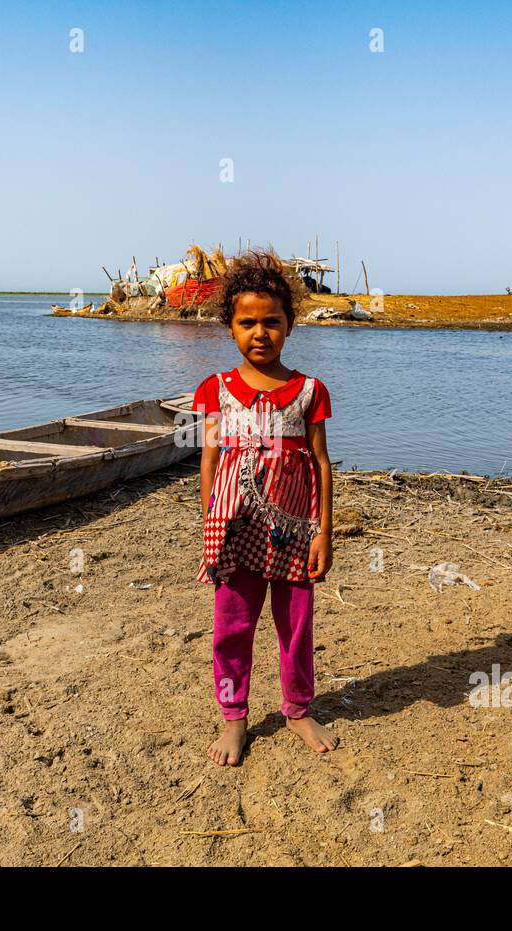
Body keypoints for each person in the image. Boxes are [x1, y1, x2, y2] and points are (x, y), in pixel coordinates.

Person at [192, 250, 337, 766]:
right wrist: (212, 523)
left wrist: (325, 532)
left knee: (296, 625)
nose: (260, 333)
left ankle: (297, 709)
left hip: (297, 531)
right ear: (229, 328)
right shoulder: (214, 391)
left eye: (271, 322)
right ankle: (234, 717)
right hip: (235, 527)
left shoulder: (309, 392)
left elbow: (320, 463)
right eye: (246, 322)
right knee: (232, 626)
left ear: (290, 326)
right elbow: (210, 460)